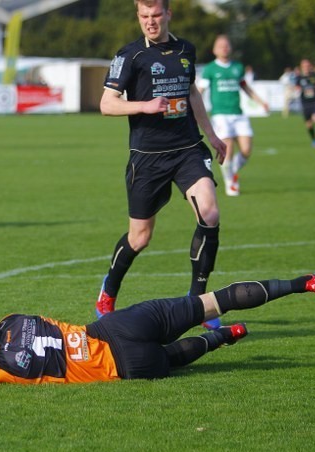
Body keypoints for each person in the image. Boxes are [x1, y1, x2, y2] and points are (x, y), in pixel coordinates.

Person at [0, 271, 315, 384]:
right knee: (209, 301)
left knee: (174, 358)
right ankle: (301, 283)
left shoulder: (1, 367)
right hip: (117, 325)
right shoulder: (17, 319)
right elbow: (1, 344)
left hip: (124, 362)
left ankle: (221, 339)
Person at [95, 0, 227, 331]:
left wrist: (211, 134)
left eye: (156, 16)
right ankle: (108, 291)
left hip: (187, 150)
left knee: (209, 214)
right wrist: (145, 106)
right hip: (148, 158)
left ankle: (198, 302)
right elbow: (106, 104)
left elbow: (192, 92)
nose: (150, 22)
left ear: (168, 14)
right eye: (144, 17)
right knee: (140, 237)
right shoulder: (130, 56)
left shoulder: (186, 49)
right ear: (138, 18)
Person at [200, 35, 269, 197]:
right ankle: (230, 182)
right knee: (228, 149)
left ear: (230, 48)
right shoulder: (210, 69)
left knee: (246, 150)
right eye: (221, 45)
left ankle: (231, 171)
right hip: (220, 115)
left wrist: (261, 102)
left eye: (227, 45)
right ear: (214, 50)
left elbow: (246, 87)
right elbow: (200, 91)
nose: (224, 48)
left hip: (238, 114)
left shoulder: (238, 67)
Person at [294, 59, 315, 148]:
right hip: (305, 103)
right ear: (302, 67)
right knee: (309, 124)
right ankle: (314, 140)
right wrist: (299, 89)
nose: (306, 68)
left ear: (310, 66)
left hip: (314, 102)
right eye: (304, 66)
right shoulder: (299, 77)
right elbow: (296, 87)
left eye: (308, 66)